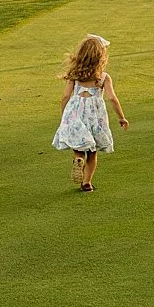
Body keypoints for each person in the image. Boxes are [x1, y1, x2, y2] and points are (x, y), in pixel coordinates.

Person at [52, 33, 129, 192]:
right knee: (93, 152)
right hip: (95, 116)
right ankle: (87, 183)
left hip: (76, 112)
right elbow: (112, 98)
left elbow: (65, 96)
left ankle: (78, 159)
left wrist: (64, 116)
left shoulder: (75, 75)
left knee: (78, 145)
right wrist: (121, 117)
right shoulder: (103, 77)